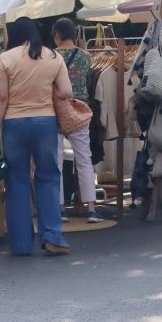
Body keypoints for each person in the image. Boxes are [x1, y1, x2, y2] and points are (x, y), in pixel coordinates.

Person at [0, 17, 71, 256]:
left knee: (17, 181)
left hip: (14, 125)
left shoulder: (5, 58)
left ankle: (21, 243)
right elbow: (67, 91)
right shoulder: (54, 57)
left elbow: (2, 97)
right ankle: (52, 236)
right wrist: (48, 91)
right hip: (45, 123)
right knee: (48, 177)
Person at [51, 17, 105, 221]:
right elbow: (87, 81)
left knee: (56, 161)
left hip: (56, 110)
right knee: (84, 160)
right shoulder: (85, 56)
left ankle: (60, 209)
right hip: (79, 111)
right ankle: (91, 208)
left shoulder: (51, 57)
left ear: (57, 35)